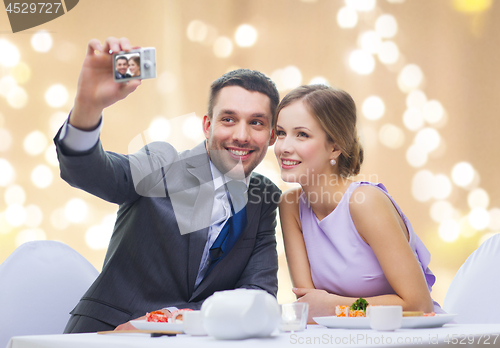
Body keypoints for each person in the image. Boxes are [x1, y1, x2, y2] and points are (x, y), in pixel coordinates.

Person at [54, 37, 281, 333]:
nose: (241, 135)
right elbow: (92, 172)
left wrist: (169, 320)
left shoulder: (263, 196)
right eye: (228, 119)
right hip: (109, 335)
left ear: (272, 135)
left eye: (256, 123)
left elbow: (257, 295)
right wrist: (88, 106)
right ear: (207, 125)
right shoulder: (162, 162)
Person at [274, 84, 444, 321]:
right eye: (281, 133)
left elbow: (419, 304)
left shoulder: (364, 202)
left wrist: (336, 307)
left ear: (335, 147)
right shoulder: (290, 206)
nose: (284, 147)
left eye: (302, 134)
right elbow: (310, 308)